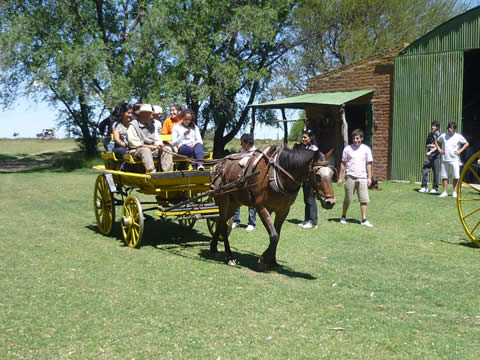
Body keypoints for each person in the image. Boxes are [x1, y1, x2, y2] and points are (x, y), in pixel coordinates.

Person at [337, 128, 373, 227]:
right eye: (353, 138)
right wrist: (340, 178)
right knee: (348, 199)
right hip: (350, 177)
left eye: (357, 138)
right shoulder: (347, 149)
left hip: (362, 177)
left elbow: (369, 164)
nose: (355, 140)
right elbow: (343, 164)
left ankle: (364, 220)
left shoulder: (366, 149)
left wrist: (369, 178)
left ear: (362, 138)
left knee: (364, 199)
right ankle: (343, 216)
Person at [126, 104, 173, 173]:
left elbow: (157, 139)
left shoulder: (152, 126)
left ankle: (167, 173)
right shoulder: (133, 125)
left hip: (152, 149)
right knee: (146, 150)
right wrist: (148, 146)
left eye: (151, 113)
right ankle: (151, 172)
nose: (151, 116)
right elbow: (134, 143)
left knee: (167, 149)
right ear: (142, 114)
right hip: (136, 150)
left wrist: (160, 145)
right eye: (149, 114)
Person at [435, 122, 469, 198]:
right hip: (445, 159)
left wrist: (460, 151)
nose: (450, 130)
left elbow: (467, 143)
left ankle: (454, 192)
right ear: (448, 128)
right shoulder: (443, 135)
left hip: (455, 159)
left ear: (454, 129)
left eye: (452, 129)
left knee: (456, 176)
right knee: (444, 176)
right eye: (449, 129)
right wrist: (440, 149)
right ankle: (445, 192)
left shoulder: (458, 136)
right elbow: (436, 141)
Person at [232, 133, 257, 231]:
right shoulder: (242, 151)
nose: (240, 145)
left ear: (247, 143)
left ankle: (252, 223)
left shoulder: (255, 153)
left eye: (242, 142)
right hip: (239, 181)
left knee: (251, 202)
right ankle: (235, 221)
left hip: (251, 181)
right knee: (236, 200)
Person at [297, 129, 319, 229]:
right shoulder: (304, 147)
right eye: (303, 137)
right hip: (305, 177)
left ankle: (313, 221)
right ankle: (306, 220)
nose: (303, 139)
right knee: (306, 199)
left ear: (310, 138)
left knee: (311, 199)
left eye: (305, 137)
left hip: (311, 177)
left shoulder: (313, 149)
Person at [418, 121, 441, 193]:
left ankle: (435, 188)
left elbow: (438, 147)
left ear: (437, 127)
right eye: (432, 126)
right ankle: (424, 187)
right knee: (425, 170)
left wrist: (431, 150)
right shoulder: (430, 134)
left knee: (436, 172)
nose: (432, 127)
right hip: (429, 156)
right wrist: (431, 146)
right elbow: (427, 145)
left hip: (436, 156)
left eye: (434, 126)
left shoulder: (440, 135)